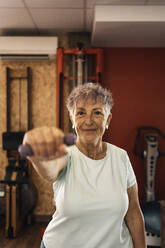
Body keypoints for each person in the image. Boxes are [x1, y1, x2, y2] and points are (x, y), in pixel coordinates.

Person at [23, 82, 146, 248]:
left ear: (108, 119)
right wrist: (39, 157)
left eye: (97, 113)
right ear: (72, 119)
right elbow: (49, 171)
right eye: (81, 113)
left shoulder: (121, 157)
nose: (89, 121)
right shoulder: (64, 155)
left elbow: (133, 213)